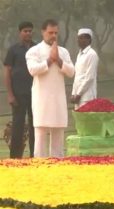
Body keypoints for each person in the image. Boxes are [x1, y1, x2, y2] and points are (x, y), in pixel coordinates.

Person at [25, 19, 75, 158]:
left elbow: (71, 72)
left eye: (56, 33)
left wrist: (58, 60)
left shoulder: (63, 52)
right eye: (50, 32)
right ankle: (40, 163)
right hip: (42, 98)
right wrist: (49, 60)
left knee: (58, 130)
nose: (53, 35)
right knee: (40, 132)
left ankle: (58, 162)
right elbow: (32, 70)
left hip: (58, 97)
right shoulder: (33, 51)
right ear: (43, 32)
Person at [3, 21, 35, 158]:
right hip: (18, 94)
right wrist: (10, 94)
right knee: (18, 124)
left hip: (36, 93)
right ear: (20, 33)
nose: (27, 33)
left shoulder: (37, 48)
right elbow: (7, 73)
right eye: (25, 31)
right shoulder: (13, 50)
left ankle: (36, 154)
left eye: (29, 31)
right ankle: (15, 157)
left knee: (35, 124)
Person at [71, 28, 99, 109]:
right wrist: (74, 93)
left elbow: (89, 77)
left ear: (89, 40)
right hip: (78, 97)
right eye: (79, 38)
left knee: (88, 120)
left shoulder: (92, 54)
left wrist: (79, 94)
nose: (80, 40)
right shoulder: (79, 55)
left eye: (83, 38)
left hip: (87, 97)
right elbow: (77, 76)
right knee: (79, 121)